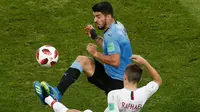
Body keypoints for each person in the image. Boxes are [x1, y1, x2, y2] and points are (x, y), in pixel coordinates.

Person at [42, 1, 133, 101]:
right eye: (94, 17)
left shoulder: (111, 35)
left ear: (108, 16)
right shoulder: (118, 26)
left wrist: (95, 53)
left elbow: (115, 61)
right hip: (122, 77)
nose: (95, 20)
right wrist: (95, 36)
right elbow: (110, 47)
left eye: (98, 17)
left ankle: (56, 94)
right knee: (82, 60)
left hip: (117, 83)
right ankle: (57, 93)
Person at [33, 54, 162, 112]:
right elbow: (158, 80)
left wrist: (144, 62)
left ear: (124, 77)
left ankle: (48, 99)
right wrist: (145, 62)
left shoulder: (114, 94)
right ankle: (49, 99)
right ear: (139, 79)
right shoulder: (144, 93)